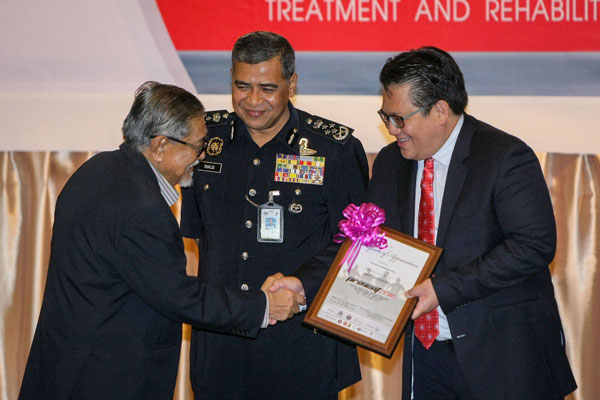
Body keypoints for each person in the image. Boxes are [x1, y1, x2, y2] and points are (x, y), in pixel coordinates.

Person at [18, 81, 304, 400]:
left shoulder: (95, 170)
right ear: (160, 146)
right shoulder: (144, 210)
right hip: (108, 380)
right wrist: (263, 306)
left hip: (65, 366)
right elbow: (180, 297)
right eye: (196, 147)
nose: (199, 158)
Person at [368, 47, 577, 399]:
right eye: (385, 116)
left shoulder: (505, 157)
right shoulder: (391, 163)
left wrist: (442, 289)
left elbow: (533, 246)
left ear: (439, 111)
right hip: (427, 353)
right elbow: (376, 243)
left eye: (400, 119)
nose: (391, 129)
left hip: (504, 357)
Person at [180, 31, 368, 399]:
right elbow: (195, 240)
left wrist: (302, 283)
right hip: (221, 351)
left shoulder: (334, 150)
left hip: (301, 347)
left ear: (291, 84)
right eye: (241, 86)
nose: (252, 101)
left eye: (267, 88)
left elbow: (360, 240)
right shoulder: (204, 140)